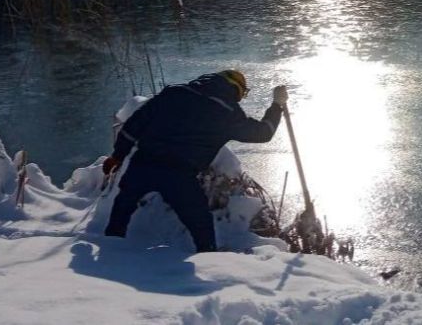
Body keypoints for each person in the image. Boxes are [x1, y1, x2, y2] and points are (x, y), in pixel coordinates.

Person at [102, 70, 287, 252]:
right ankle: (208, 258)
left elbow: (134, 125)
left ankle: (109, 251)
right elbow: (263, 133)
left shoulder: (175, 93)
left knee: (122, 210)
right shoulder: (227, 113)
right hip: (178, 176)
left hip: (142, 163)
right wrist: (277, 106)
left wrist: (117, 156)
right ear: (234, 89)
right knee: (200, 223)